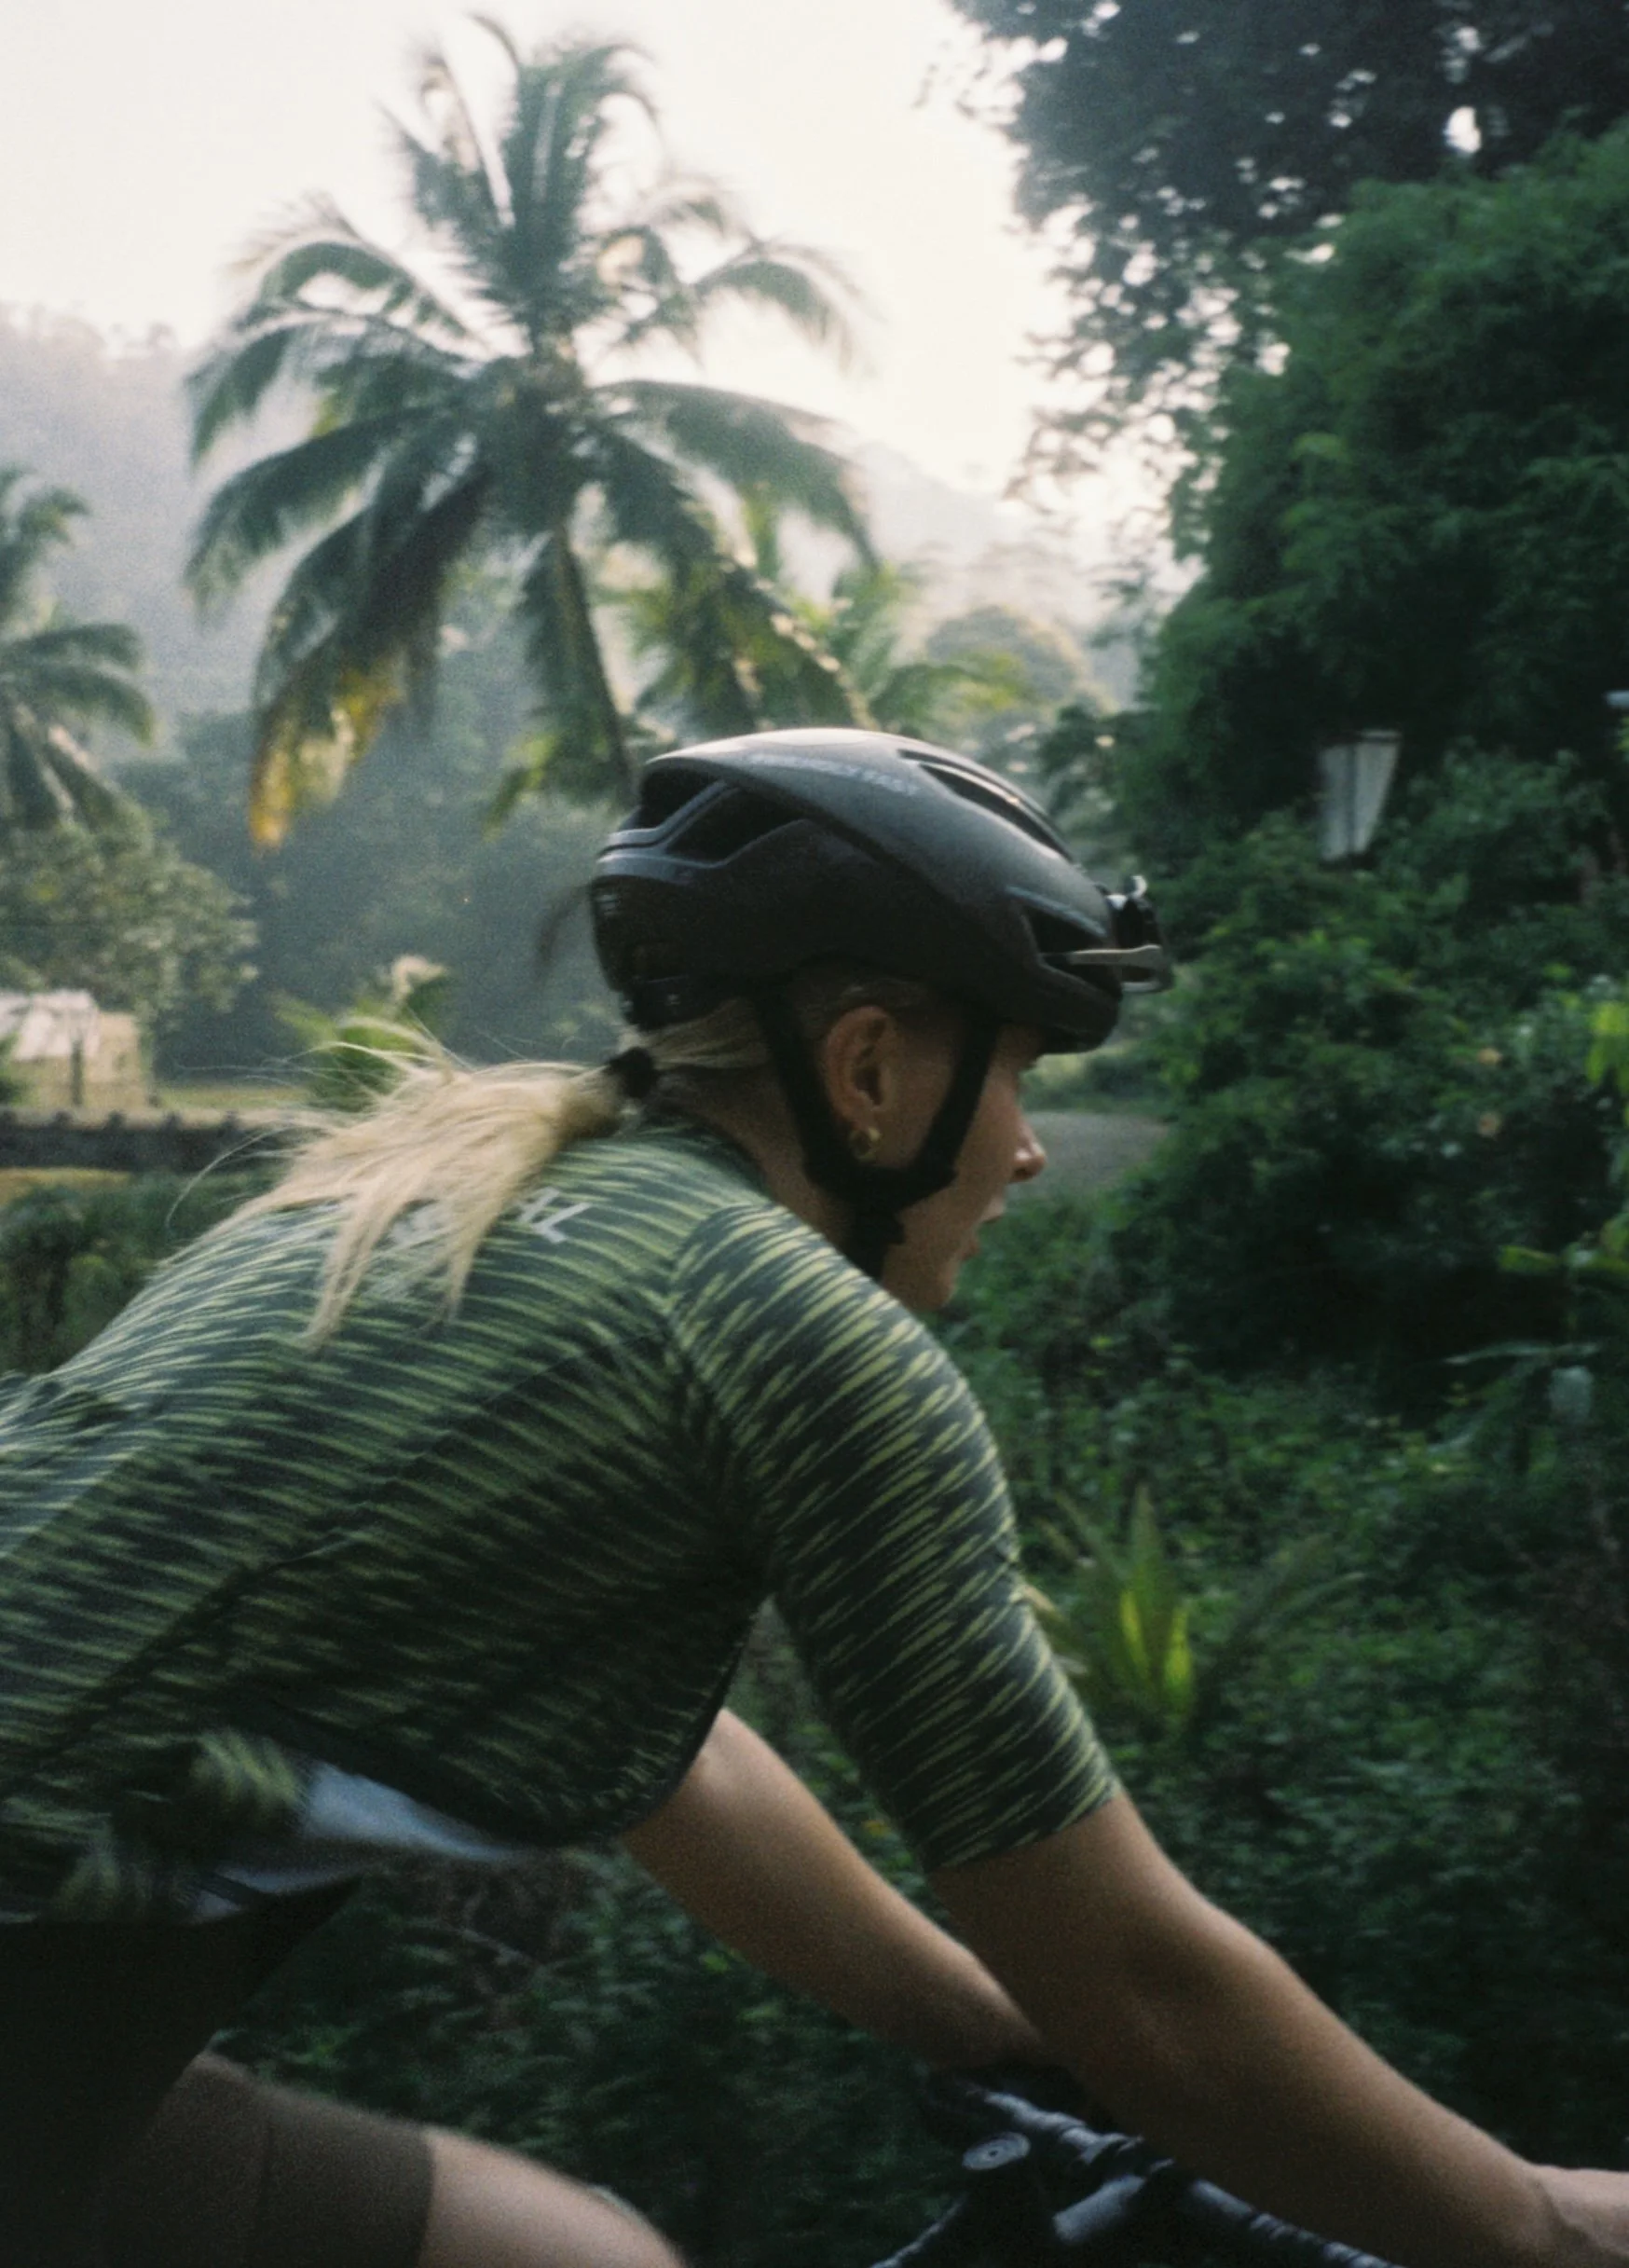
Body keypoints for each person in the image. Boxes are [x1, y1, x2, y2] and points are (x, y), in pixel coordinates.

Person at [0, 725, 1625, 2268]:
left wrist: (993, 2029)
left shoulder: (414, 1204)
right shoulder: (791, 1327)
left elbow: (686, 1766)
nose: (1034, 1152)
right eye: (1020, 1078)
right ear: (866, 1070)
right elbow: (1143, 1979)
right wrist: (1539, 2226)